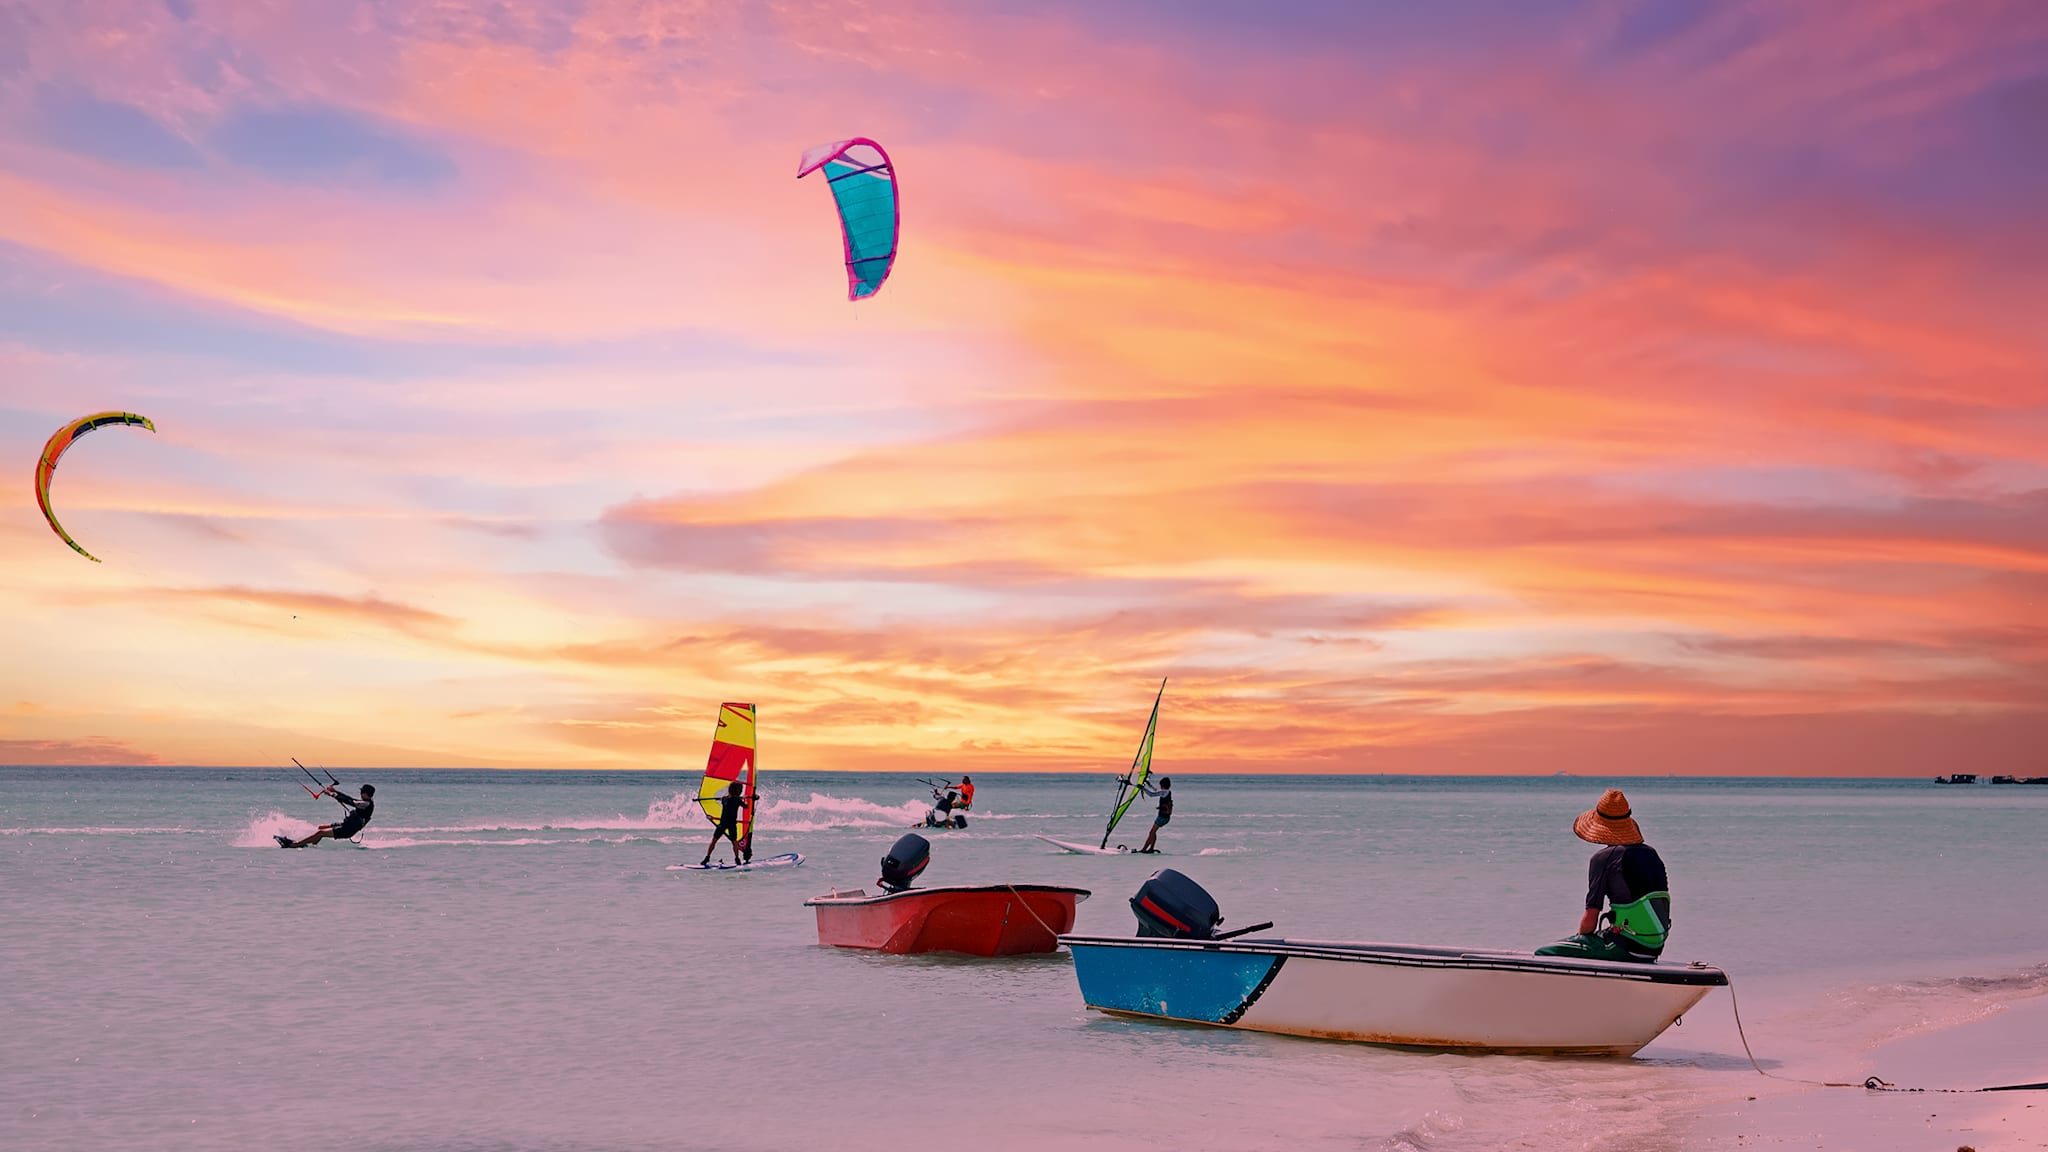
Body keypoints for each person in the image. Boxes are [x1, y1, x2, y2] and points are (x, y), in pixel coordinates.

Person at [1535, 789, 1671, 963]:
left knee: (1544, 953)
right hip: (1654, 948)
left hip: (1625, 947)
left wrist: (1582, 941)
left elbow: (1591, 917)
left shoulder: (1603, 859)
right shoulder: (1652, 854)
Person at [278, 783, 375, 848]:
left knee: (321, 832)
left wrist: (332, 794)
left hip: (347, 830)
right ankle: (311, 845)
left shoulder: (366, 804)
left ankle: (295, 845)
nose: (360, 793)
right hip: (345, 825)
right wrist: (335, 791)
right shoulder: (365, 802)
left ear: (366, 794)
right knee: (321, 827)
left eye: (362, 792)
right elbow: (349, 798)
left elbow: (350, 802)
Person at [700, 780, 751, 867]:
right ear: (738, 791)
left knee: (714, 841)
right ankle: (737, 859)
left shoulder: (724, 799)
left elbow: (727, 799)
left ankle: (707, 857)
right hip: (731, 824)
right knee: (734, 842)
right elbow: (746, 807)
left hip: (722, 824)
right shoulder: (738, 800)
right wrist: (746, 798)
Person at [1134, 775, 1172, 854]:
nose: (1160, 787)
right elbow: (1155, 790)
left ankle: (1144, 849)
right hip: (1165, 817)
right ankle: (1151, 848)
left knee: (1151, 832)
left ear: (1162, 785)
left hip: (1162, 817)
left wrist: (1142, 788)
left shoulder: (1164, 792)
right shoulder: (1167, 792)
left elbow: (1151, 794)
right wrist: (1148, 783)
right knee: (1153, 832)